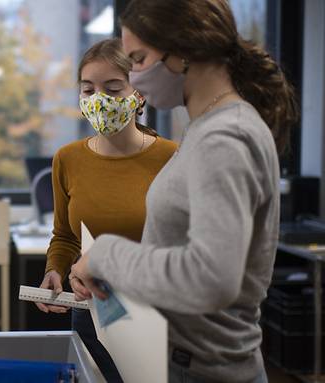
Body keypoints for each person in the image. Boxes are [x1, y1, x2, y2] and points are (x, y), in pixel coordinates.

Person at [71, 1, 299, 382]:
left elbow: (212, 278)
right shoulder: (205, 129)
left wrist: (107, 255)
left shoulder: (224, 138)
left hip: (205, 371)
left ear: (182, 51)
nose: (136, 78)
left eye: (139, 59)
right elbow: (182, 255)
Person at [35, 38, 177, 382]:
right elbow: (66, 236)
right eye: (88, 90)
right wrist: (54, 269)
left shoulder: (173, 157)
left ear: (138, 93)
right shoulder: (67, 159)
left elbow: (184, 244)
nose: (99, 100)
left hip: (155, 310)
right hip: (91, 310)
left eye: (113, 88)